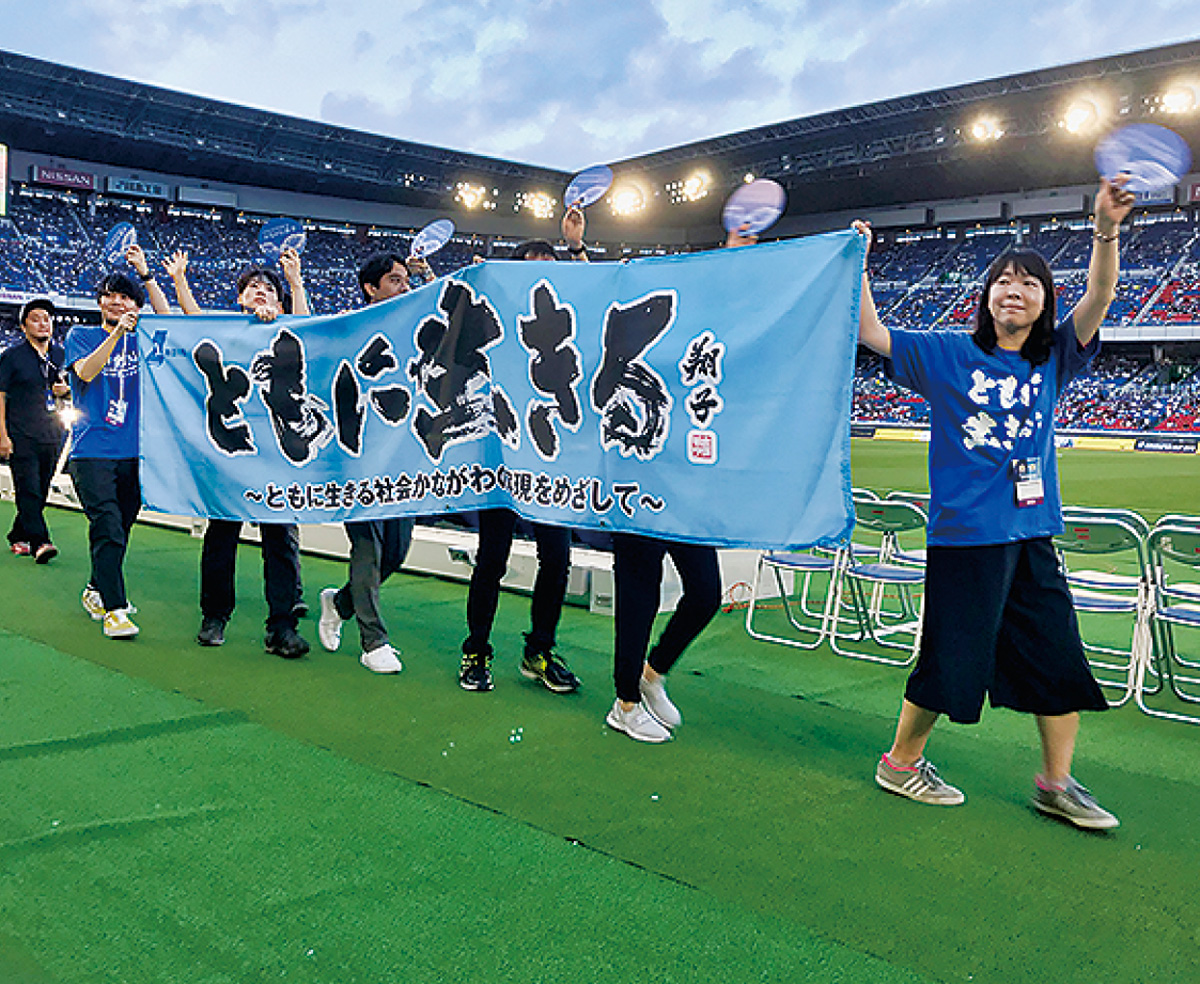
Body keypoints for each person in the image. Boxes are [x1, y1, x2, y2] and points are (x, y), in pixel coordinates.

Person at [856, 178, 1135, 829]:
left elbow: (1101, 295)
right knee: (953, 658)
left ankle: (1057, 783)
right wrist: (861, 263)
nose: (1015, 290)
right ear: (987, 296)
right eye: (1004, 281)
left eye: (1030, 283)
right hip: (967, 536)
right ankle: (900, 763)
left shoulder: (1056, 359)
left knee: (1055, 653)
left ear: (1043, 302)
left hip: (1033, 533)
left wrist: (1105, 229)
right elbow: (871, 332)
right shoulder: (949, 352)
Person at [603, 222, 756, 742]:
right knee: (638, 600)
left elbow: (730, 311)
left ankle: (652, 674)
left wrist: (735, 258)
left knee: (706, 592)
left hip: (685, 493)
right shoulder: (624, 348)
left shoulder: (697, 338)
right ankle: (624, 702)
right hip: (636, 493)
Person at [457, 207, 589, 694]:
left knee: (556, 557)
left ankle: (539, 650)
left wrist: (576, 248)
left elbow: (597, 301)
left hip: (550, 460)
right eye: (526, 267)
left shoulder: (566, 322)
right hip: (501, 458)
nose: (537, 275)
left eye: (546, 266)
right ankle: (475, 650)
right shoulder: (493, 323)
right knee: (492, 558)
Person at [169, 247, 313, 658]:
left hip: (277, 456)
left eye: (269, 288)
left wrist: (295, 281)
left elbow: (308, 327)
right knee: (221, 536)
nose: (261, 292)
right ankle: (214, 615)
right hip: (231, 451)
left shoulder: (289, 331)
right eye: (253, 287)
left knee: (280, 540)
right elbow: (193, 323)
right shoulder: (226, 329)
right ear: (239, 298)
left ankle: (282, 626)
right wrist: (180, 279)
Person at [316, 251, 434, 674]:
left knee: (396, 552)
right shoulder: (347, 329)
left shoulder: (415, 331)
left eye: (406, 280)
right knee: (368, 545)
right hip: (357, 458)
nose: (405, 288)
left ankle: (339, 602)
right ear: (371, 287)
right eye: (395, 281)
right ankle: (373, 641)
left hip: (401, 461)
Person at [65, 256, 170, 639]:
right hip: (91, 449)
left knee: (119, 530)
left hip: (136, 452)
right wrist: (116, 334)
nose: (116, 303)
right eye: (108, 296)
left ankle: (96, 589)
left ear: (137, 306)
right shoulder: (81, 335)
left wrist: (147, 275)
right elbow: (87, 372)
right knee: (107, 525)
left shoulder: (147, 338)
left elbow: (173, 322)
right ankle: (115, 609)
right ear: (99, 304)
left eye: (125, 298)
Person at [0, 299, 70, 562]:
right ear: (23, 325)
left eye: (47, 319)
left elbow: (66, 389)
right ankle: (41, 542)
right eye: (36, 318)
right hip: (20, 434)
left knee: (39, 489)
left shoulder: (59, 355)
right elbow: (0, 395)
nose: (43, 323)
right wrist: (2, 436)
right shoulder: (11, 357)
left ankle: (17, 534)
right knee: (28, 488)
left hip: (51, 433)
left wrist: (66, 391)